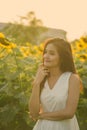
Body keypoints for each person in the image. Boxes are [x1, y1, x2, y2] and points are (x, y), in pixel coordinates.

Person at [29, 38, 81, 130]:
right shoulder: (42, 78)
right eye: (45, 52)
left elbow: (69, 113)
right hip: (43, 127)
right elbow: (33, 113)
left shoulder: (72, 79)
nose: (46, 56)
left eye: (52, 53)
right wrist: (36, 83)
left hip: (64, 127)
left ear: (62, 58)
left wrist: (42, 116)